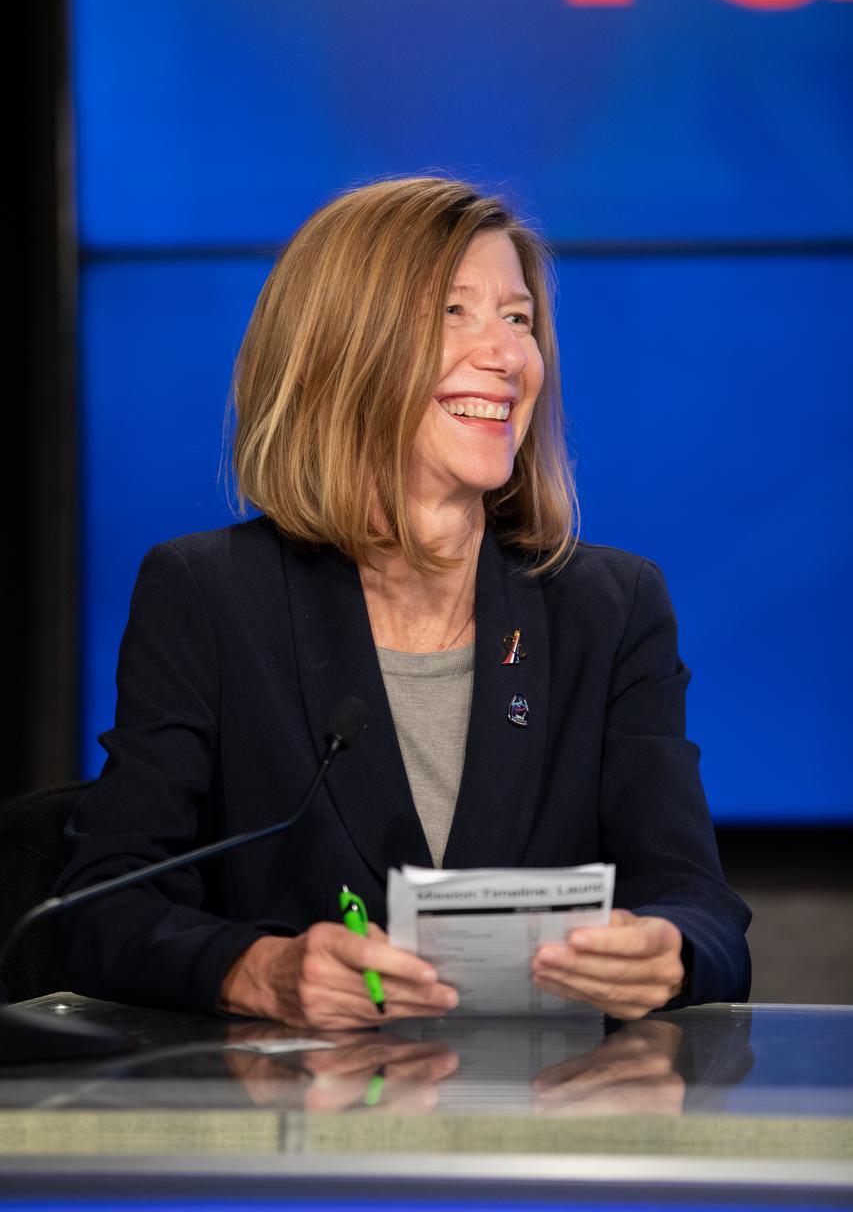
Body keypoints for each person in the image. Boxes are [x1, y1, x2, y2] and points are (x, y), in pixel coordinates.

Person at [57, 177, 751, 1028]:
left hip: (542, 1123)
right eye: (453, 313)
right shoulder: (208, 594)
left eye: (518, 317)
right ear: (344, 345)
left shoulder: (610, 606)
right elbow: (99, 907)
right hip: (299, 1126)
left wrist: (669, 952)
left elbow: (701, 907)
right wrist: (255, 969)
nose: (503, 354)